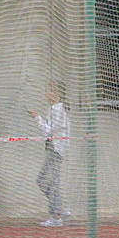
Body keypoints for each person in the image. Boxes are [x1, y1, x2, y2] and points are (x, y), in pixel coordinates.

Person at [30, 82, 70, 227]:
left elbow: (49, 132)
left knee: (50, 182)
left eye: (48, 91)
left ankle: (56, 217)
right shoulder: (54, 109)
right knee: (43, 180)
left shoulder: (57, 109)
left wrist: (37, 118)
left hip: (55, 150)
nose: (45, 94)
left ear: (56, 93)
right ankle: (60, 208)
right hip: (53, 149)